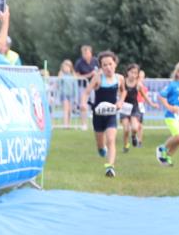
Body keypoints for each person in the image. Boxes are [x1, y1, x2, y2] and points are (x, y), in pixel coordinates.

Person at [79, 50, 124, 178]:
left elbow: (123, 91)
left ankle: (109, 167)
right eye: (105, 65)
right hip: (98, 115)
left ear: (115, 64)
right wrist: (83, 103)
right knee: (101, 146)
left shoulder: (120, 78)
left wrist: (120, 102)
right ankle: (101, 149)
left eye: (110, 64)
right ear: (101, 67)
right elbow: (87, 92)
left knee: (111, 140)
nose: (108, 67)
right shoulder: (98, 78)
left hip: (111, 114)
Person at [157, 61, 179, 167]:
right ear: (178, 73)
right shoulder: (173, 85)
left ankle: (167, 157)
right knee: (178, 136)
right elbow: (161, 96)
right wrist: (169, 107)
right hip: (172, 116)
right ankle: (162, 148)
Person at [118, 64, 152, 152]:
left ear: (137, 75)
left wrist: (151, 103)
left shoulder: (138, 84)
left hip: (134, 108)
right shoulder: (122, 82)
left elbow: (144, 96)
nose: (133, 75)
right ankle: (126, 146)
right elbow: (119, 93)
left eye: (135, 73)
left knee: (135, 128)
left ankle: (133, 136)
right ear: (127, 72)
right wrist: (119, 101)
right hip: (124, 108)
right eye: (131, 72)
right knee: (126, 129)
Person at [57, 59, 78, 128]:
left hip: (71, 95)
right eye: (65, 67)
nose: (66, 69)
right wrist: (59, 78)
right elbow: (59, 85)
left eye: (68, 67)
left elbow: (75, 87)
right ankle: (65, 124)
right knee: (66, 110)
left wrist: (76, 97)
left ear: (70, 67)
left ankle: (68, 124)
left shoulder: (73, 76)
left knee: (69, 111)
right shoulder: (62, 75)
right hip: (64, 94)